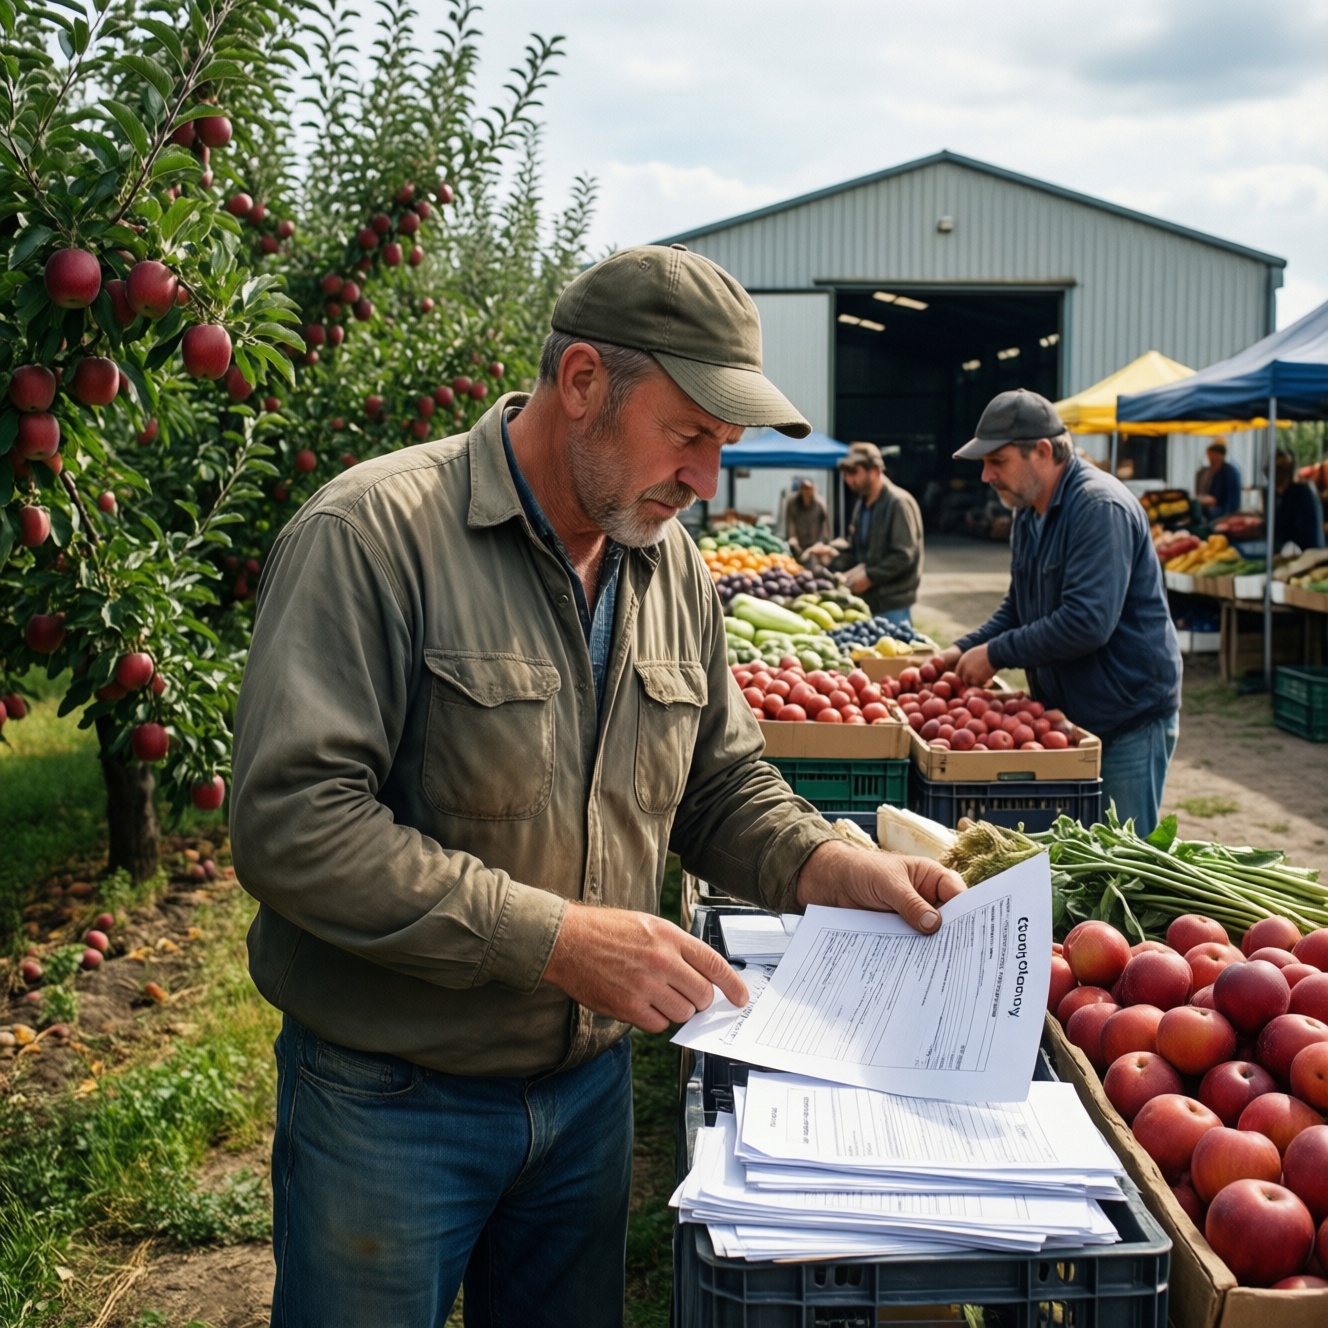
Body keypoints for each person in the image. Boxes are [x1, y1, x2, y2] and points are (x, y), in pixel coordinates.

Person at [229, 244, 965, 1328]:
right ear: (581, 382)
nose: (706, 480)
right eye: (688, 435)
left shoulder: (670, 570)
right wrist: (559, 940)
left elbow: (718, 782)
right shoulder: (374, 537)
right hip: (392, 1099)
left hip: (584, 1098)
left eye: (722, 447)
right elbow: (295, 822)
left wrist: (828, 863)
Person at [938, 388, 1182, 834]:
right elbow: (1019, 607)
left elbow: (1088, 623)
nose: (986, 476)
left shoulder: (1099, 508)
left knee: (1122, 857)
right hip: (1074, 720)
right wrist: (962, 648)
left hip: (1127, 720)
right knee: (1079, 854)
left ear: (1043, 452)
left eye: (997, 461)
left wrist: (995, 654)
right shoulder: (1029, 512)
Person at [802, 442, 924, 626]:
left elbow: (903, 555)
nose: (848, 479)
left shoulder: (898, 503)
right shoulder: (862, 504)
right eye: (845, 474)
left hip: (892, 605)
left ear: (874, 471)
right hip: (869, 602)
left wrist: (870, 577)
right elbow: (857, 548)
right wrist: (833, 553)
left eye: (853, 472)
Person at [1274, 449, 1326, 551]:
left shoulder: (1300, 494)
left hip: (1305, 554)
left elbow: (1303, 537)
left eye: (1279, 469)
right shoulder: (1281, 495)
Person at [782, 475, 830, 556]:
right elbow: (790, 522)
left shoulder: (820, 504)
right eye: (804, 488)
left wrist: (823, 541)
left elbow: (826, 525)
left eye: (809, 489)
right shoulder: (792, 502)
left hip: (815, 545)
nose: (807, 491)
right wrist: (792, 537)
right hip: (797, 545)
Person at [1196, 440, 1241, 518]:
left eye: (1212, 455)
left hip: (1224, 512)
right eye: (1208, 455)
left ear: (1220, 455)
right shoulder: (1206, 471)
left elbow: (1216, 499)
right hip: (1212, 509)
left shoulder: (1228, 472)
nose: (1209, 458)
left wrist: (1197, 501)